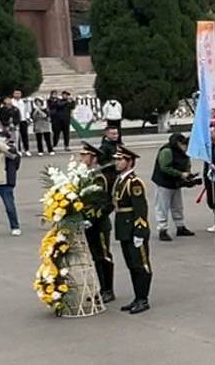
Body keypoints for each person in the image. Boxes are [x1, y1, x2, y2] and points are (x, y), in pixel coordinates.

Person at [108, 146, 152, 314]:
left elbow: (140, 208)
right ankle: (137, 297)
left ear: (130, 162)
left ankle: (143, 299)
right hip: (123, 228)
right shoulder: (120, 180)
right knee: (132, 265)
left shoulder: (134, 182)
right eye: (117, 159)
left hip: (134, 229)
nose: (117, 162)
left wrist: (140, 231)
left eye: (120, 160)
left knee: (141, 265)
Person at [74, 142, 115, 302]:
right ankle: (102, 288)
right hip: (88, 223)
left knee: (104, 256)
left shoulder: (99, 177)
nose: (81, 158)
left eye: (84, 155)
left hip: (100, 224)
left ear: (93, 157)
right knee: (96, 257)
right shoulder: (86, 175)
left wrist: (91, 218)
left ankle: (108, 290)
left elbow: (104, 203)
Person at [150, 132, 196, 240]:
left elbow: (187, 163)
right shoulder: (167, 151)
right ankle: (162, 229)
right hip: (164, 183)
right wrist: (181, 174)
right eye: (185, 145)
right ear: (178, 143)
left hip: (175, 183)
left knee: (177, 206)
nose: (186, 149)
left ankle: (180, 226)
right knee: (162, 207)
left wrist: (188, 174)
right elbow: (165, 167)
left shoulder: (182, 151)